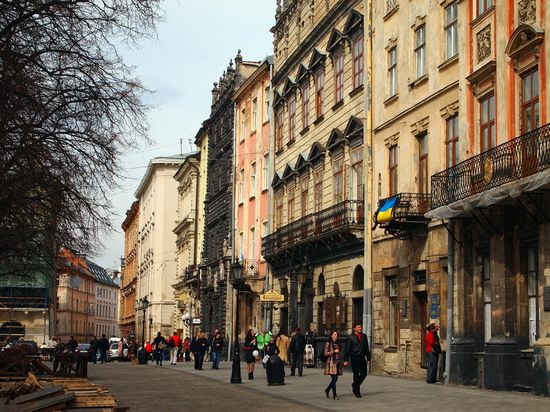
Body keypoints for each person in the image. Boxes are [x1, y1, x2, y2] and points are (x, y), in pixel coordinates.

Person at [343, 323, 371, 398]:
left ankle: (355, 385)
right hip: (354, 358)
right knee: (356, 374)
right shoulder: (351, 337)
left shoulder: (364, 336)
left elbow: (366, 348)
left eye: (360, 327)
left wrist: (368, 358)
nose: (360, 328)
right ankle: (357, 391)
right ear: (354, 328)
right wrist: (345, 359)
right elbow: (347, 349)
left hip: (362, 358)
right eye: (358, 327)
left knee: (364, 373)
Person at [324, 330, 343, 400]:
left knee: (335, 379)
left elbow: (340, 351)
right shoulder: (328, 343)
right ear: (331, 335)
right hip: (332, 362)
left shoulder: (338, 343)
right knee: (334, 379)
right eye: (335, 334)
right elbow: (325, 353)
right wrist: (334, 351)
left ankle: (327, 389)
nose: (336, 336)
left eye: (337, 334)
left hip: (338, 362)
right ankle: (334, 395)